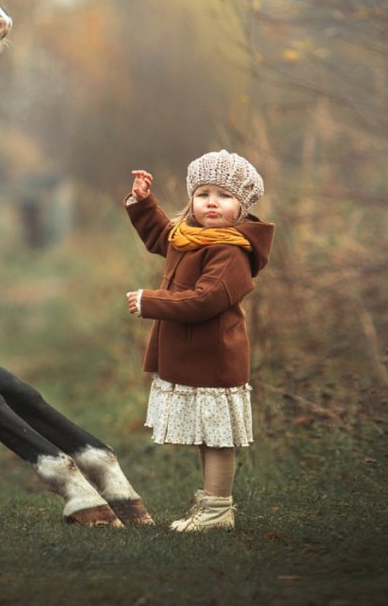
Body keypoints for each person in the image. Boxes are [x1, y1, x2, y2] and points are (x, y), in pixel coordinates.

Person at [124, 150, 274, 532]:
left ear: (241, 206)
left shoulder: (230, 250)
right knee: (206, 437)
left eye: (224, 196)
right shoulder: (189, 236)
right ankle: (211, 504)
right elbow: (161, 235)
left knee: (217, 438)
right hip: (192, 353)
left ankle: (218, 509)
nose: (212, 202)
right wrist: (144, 203)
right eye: (203, 193)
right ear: (191, 198)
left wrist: (150, 301)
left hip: (214, 358)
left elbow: (205, 300)